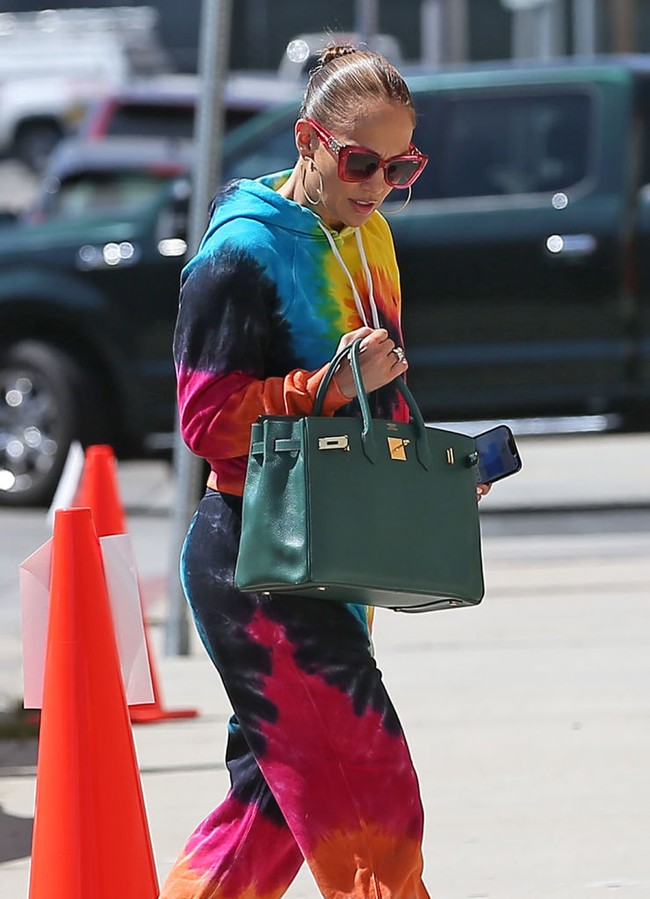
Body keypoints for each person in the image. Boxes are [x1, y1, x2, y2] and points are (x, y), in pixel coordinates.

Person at [162, 43, 487, 899]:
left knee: (268, 816)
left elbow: (384, 390)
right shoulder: (240, 253)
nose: (379, 185)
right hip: (257, 559)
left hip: (333, 553)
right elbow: (205, 423)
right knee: (373, 804)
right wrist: (327, 385)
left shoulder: (370, 234)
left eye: (401, 167)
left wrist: (430, 473)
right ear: (309, 140)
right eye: (361, 163)